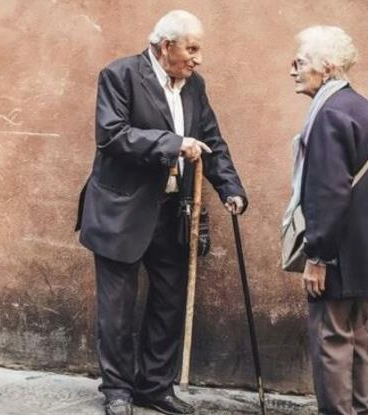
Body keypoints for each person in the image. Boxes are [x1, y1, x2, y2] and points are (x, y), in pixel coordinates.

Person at [75, 10, 248, 415]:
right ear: (166, 45)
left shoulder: (195, 86)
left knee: (169, 303)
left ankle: (155, 387)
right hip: (121, 212)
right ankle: (117, 390)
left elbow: (211, 141)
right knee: (117, 312)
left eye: (198, 49)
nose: (198, 57)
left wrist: (231, 189)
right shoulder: (119, 76)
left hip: (173, 212)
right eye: (192, 48)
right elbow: (113, 135)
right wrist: (172, 143)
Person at [284, 25, 368, 414]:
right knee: (359, 339)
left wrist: (317, 257)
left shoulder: (329, 115)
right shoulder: (364, 108)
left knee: (332, 341)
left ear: (327, 67)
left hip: (338, 256)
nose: (293, 69)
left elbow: (328, 194)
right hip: (366, 254)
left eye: (300, 61)